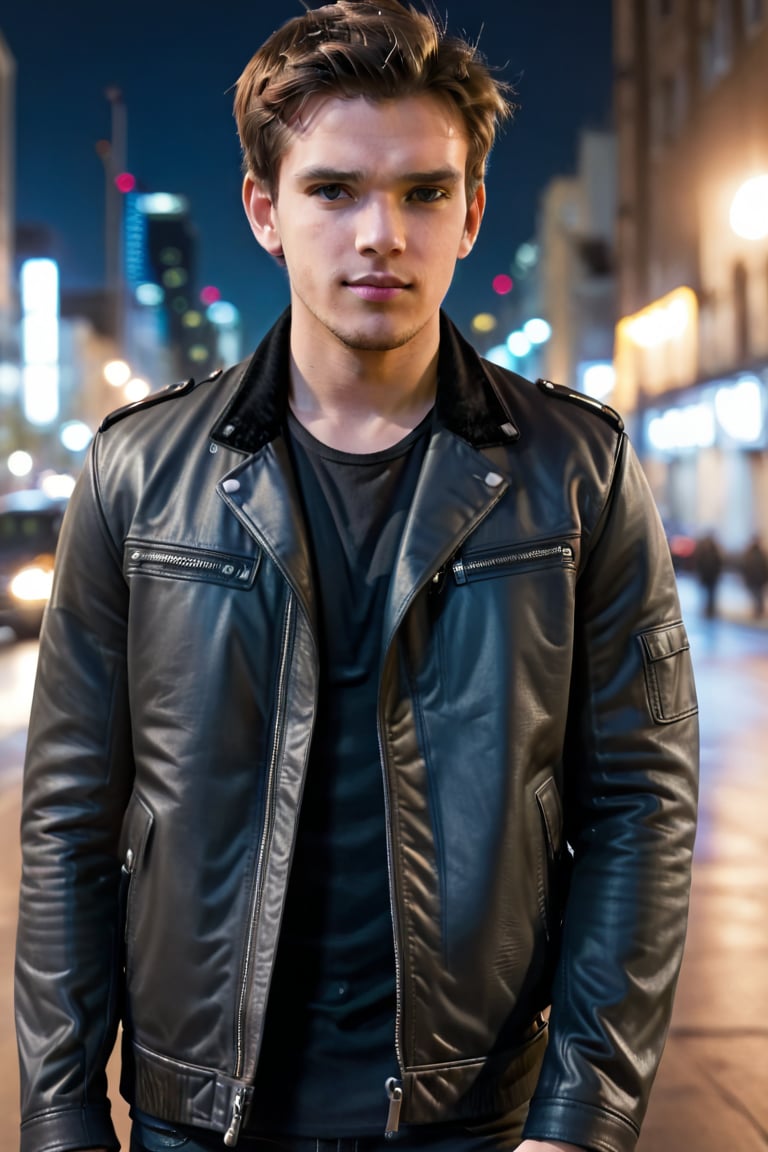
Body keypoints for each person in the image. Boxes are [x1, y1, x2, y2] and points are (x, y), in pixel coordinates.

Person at [15, 3, 699, 1152]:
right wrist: (62, 1113)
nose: (380, 232)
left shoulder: (576, 471)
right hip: (198, 1113)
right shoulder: (136, 472)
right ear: (265, 212)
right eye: (333, 190)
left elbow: (641, 805)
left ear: (471, 212)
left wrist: (584, 1116)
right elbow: (71, 819)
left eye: (424, 191)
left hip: (478, 1114)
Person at [693, 531, 723, 619]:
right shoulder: (710, 550)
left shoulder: (712, 550)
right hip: (708, 576)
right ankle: (708, 609)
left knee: (710, 594)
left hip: (711, 576)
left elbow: (719, 563)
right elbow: (699, 563)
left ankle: (710, 609)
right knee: (708, 594)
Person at [740, 534, 768, 619]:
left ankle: (758, 611)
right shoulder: (754, 553)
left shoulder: (752, 553)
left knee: (757, 595)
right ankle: (758, 610)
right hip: (756, 578)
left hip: (756, 578)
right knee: (757, 595)